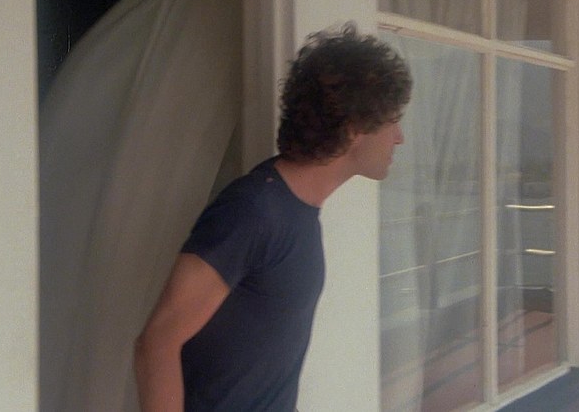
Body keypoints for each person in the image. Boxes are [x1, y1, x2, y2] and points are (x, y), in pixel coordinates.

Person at [134, 22, 412, 411]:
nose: (399, 136)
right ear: (353, 130)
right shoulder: (253, 211)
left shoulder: (296, 210)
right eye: (392, 119)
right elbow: (157, 342)